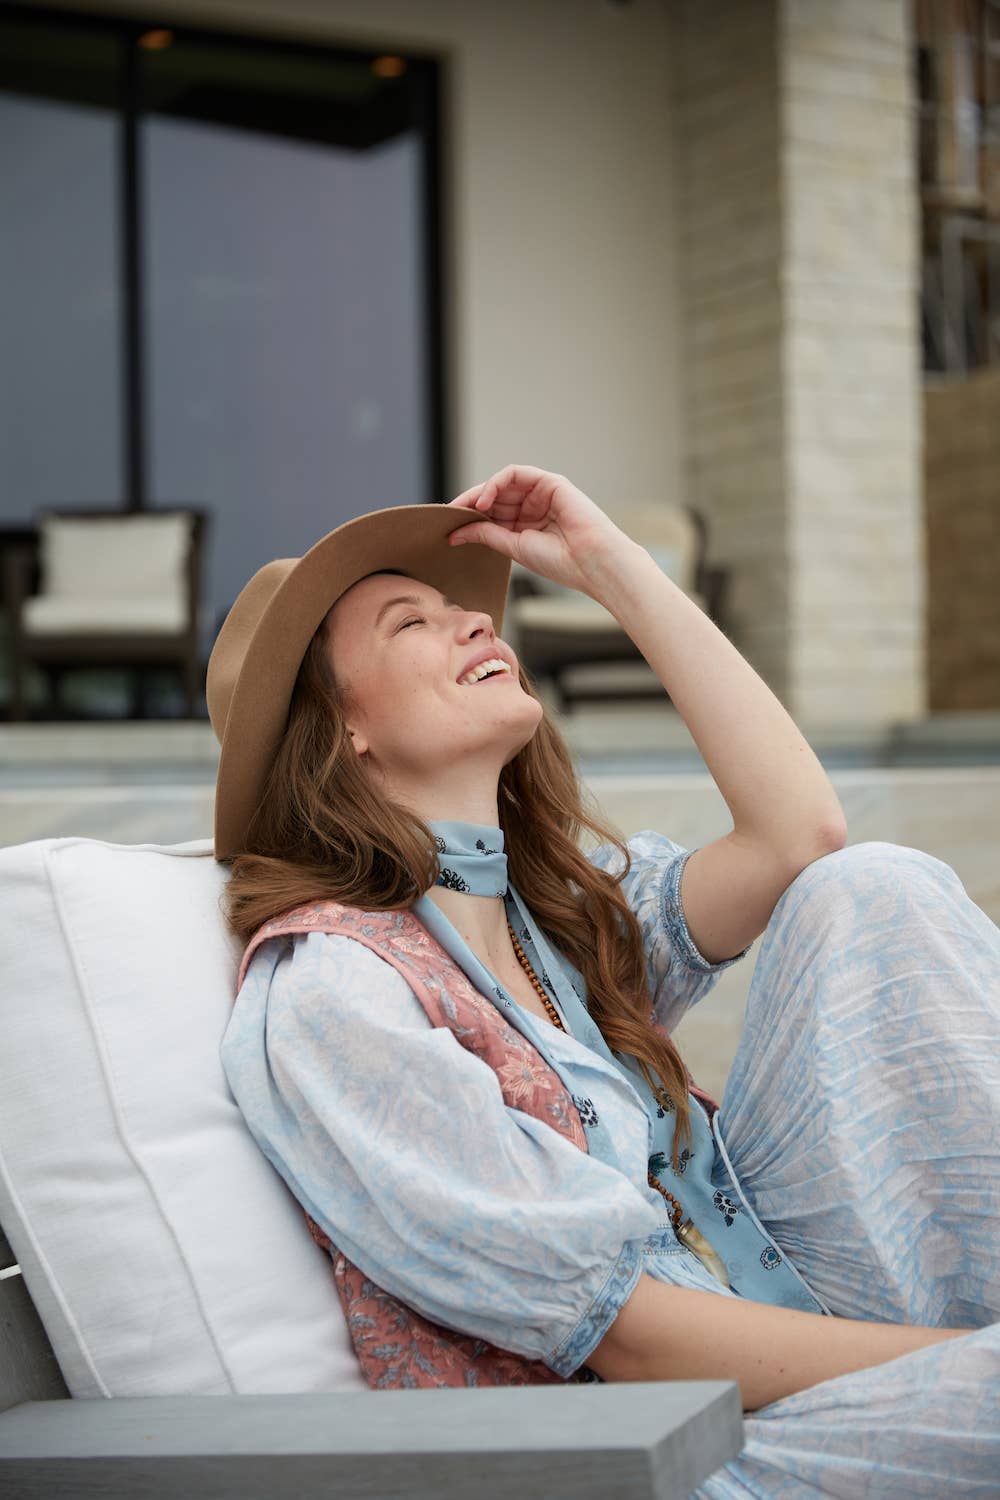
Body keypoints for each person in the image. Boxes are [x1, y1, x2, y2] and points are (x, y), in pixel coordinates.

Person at [210, 465, 999, 1495]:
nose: (470, 626)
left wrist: (608, 566)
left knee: (868, 888)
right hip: (679, 1443)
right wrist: (954, 1372)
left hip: (803, 1300)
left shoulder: (558, 922)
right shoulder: (334, 995)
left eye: (465, 608)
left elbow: (796, 834)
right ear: (340, 728)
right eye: (412, 622)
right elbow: (621, 1338)